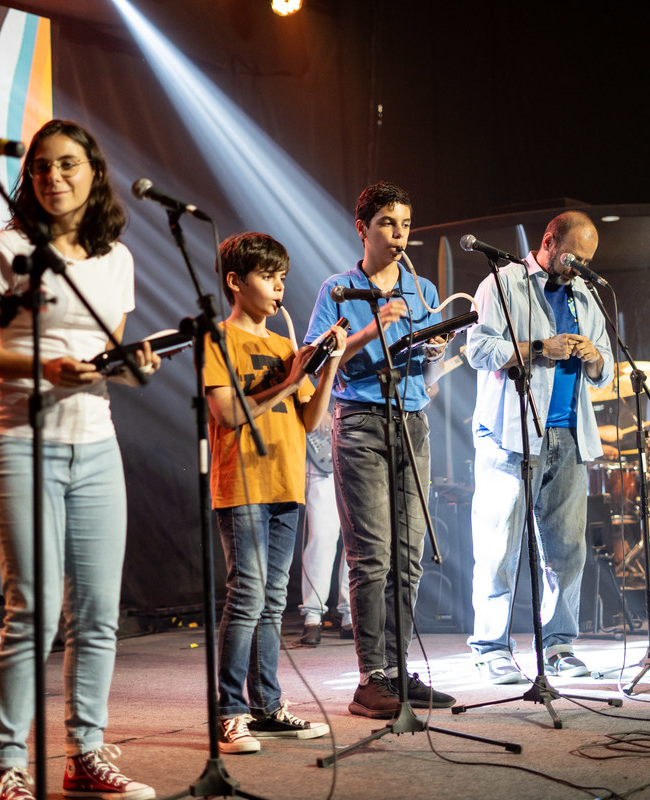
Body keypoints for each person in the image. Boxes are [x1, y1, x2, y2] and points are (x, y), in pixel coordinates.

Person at [0, 119, 158, 800]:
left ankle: (85, 754)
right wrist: (44, 367)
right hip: (20, 438)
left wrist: (132, 367)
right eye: (40, 167)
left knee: (98, 612)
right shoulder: (8, 249)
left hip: (95, 441)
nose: (53, 177)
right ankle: (5, 766)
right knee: (33, 611)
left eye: (67, 164)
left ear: (93, 171)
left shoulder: (116, 258)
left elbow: (104, 356)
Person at [303, 181, 455, 718]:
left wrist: (434, 351)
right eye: (389, 223)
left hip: (412, 423)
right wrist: (371, 330)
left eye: (406, 224)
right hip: (361, 423)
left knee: (408, 559)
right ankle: (371, 678)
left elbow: (429, 368)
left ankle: (397, 669)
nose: (399, 234)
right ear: (362, 228)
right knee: (371, 558)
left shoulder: (423, 289)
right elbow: (317, 360)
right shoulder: (339, 289)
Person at [204, 232, 343, 754]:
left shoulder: (286, 346)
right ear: (236, 282)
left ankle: (266, 707)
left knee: (271, 602)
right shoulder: (218, 339)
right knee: (246, 597)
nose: (278, 287)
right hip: (242, 485)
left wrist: (327, 366)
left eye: (282, 277)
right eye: (267, 277)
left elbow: (309, 420)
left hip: (287, 484)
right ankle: (229, 713)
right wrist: (289, 379)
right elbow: (228, 414)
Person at [465, 210, 614, 684]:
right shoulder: (502, 282)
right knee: (499, 548)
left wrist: (595, 358)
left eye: (587, 260)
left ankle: (559, 646)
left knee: (568, 549)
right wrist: (536, 348)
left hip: (568, 434)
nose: (579, 267)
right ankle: (491, 648)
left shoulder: (585, 293)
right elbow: (477, 350)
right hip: (510, 436)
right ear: (549, 241)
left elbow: (607, 367)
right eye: (573, 257)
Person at [294, 410, 352, 647]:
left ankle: (351, 615)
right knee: (321, 537)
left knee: (358, 539)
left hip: (359, 449)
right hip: (322, 451)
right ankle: (313, 616)